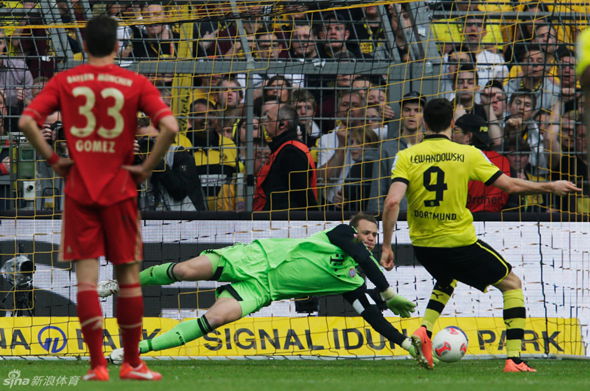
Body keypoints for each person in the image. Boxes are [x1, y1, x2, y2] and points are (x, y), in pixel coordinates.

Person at [18, 15, 178, 381]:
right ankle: (133, 363)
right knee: (128, 276)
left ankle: (96, 365)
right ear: (118, 46)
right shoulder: (134, 82)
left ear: (84, 46)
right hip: (120, 188)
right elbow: (170, 126)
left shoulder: (65, 80)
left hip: (79, 188)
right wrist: (146, 167)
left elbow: (27, 120)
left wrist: (55, 160)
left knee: (87, 279)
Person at [380, 98, 580, 372]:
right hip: (458, 242)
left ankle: (424, 330)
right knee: (511, 283)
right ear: (452, 122)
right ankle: (514, 358)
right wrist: (549, 186)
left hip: (424, 245)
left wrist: (387, 245)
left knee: (447, 276)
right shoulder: (467, 154)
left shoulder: (406, 156)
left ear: (424, 122)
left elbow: (392, 203)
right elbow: (509, 185)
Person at [99, 213, 419, 360]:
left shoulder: (355, 280)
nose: (370, 238)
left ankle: (136, 350)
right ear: (353, 231)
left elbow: (372, 314)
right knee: (184, 270)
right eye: (366, 232)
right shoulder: (338, 234)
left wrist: (404, 342)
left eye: (375, 235)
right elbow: (359, 253)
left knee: (215, 319)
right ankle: (119, 284)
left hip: (263, 291)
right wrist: (388, 290)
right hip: (255, 258)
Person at [254, 100, 317, 211]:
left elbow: (303, 195)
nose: (265, 123)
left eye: (269, 119)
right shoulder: (284, 148)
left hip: (285, 221)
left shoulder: (291, 152)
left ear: (283, 124)